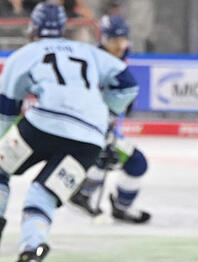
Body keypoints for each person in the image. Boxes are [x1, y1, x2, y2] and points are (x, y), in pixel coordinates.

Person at [0, 2, 137, 262]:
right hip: (89, 139)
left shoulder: (24, 55)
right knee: (43, 194)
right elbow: (127, 83)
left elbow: (7, 109)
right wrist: (107, 112)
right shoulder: (88, 52)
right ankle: (30, 256)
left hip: (43, 125)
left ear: (33, 28)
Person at [69, 13, 151, 224]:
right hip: (89, 127)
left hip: (103, 126)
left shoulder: (118, 59)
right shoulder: (95, 62)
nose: (119, 46)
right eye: (114, 40)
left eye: (123, 40)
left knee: (124, 159)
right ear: (103, 39)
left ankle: (89, 193)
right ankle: (86, 193)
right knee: (129, 160)